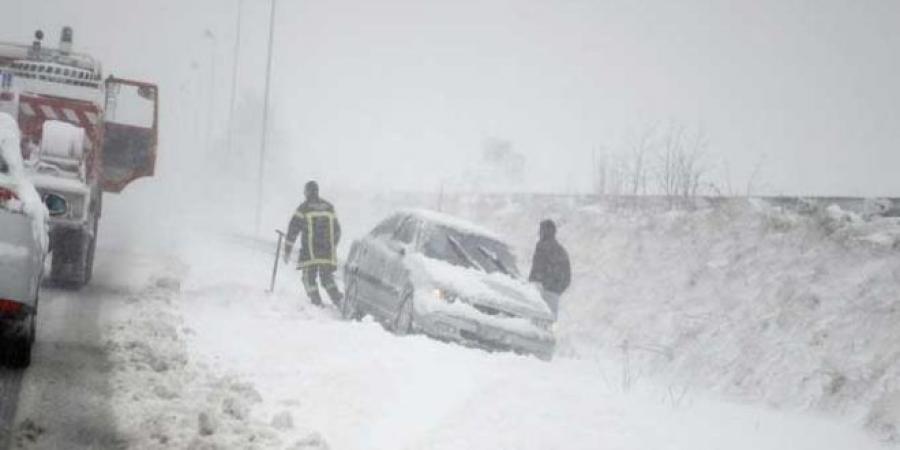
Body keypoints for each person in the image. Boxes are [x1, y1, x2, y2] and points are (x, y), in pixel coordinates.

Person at [283, 181, 343, 307]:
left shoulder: (304, 208)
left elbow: (293, 229)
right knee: (327, 279)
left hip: (310, 253)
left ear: (307, 192)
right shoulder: (329, 207)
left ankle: (317, 304)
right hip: (327, 252)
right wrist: (332, 246)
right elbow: (337, 230)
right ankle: (339, 301)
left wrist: (287, 250)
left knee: (308, 279)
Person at [528, 219, 571, 319]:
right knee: (547, 322)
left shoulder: (543, 246)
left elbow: (537, 269)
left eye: (541, 230)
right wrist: (556, 290)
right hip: (552, 293)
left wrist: (539, 284)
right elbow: (567, 278)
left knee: (533, 320)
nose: (539, 233)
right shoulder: (561, 250)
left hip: (540, 291)